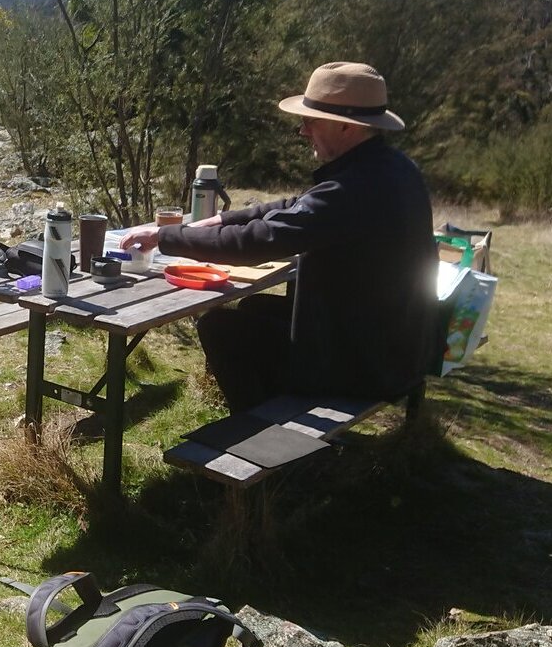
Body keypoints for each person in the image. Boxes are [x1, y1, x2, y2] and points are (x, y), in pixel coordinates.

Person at [119, 61, 437, 412]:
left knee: (220, 327)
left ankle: (268, 436)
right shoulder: (391, 169)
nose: (302, 131)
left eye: (311, 121)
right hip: (396, 344)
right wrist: (220, 219)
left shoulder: (353, 189)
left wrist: (165, 236)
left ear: (346, 127)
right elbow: (297, 205)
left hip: (366, 366)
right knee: (255, 307)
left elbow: (258, 242)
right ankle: (275, 415)